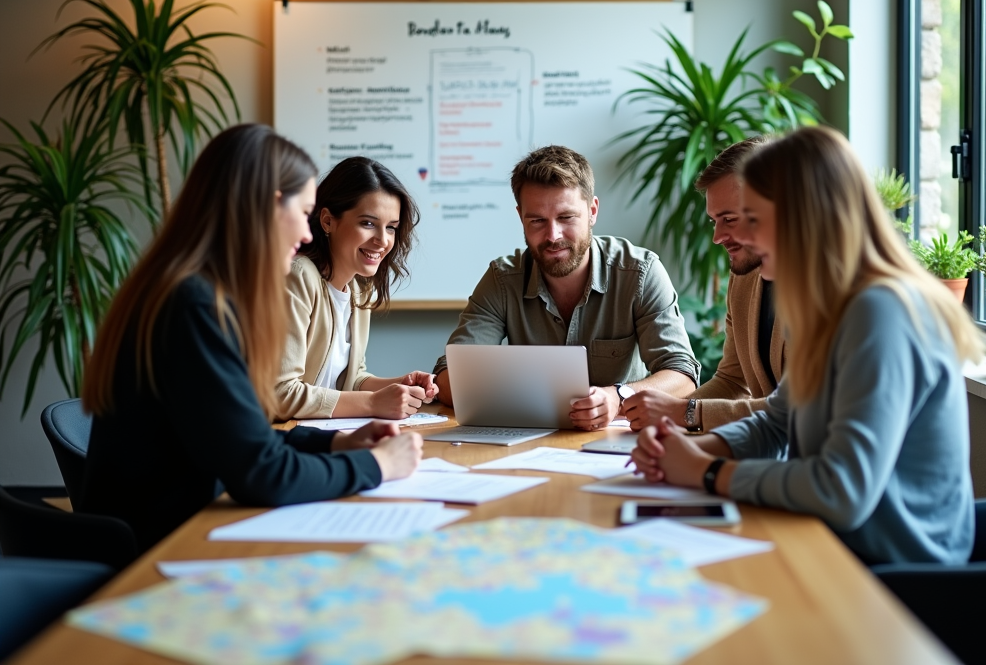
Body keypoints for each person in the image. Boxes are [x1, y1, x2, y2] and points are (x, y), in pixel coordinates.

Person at [631, 126, 984, 566]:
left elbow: (843, 490)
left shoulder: (880, 312)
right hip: (832, 545)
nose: (746, 240)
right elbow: (779, 423)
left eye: (754, 219)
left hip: (893, 574)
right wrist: (692, 451)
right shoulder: (829, 307)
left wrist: (707, 471)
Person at [80, 125, 422, 552]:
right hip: (160, 547)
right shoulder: (194, 306)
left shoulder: (190, 291)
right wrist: (375, 466)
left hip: (180, 524)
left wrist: (337, 442)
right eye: (303, 213)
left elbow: (240, 434)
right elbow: (262, 473)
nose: (305, 234)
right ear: (266, 207)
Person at [433, 145, 700, 430]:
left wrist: (619, 397)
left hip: (617, 441)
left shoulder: (639, 273)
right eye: (537, 220)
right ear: (520, 217)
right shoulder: (502, 279)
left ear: (592, 211)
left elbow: (682, 374)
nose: (552, 235)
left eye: (566, 217)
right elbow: (450, 375)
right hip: (528, 439)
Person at [623, 137, 786, 434]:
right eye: (714, 221)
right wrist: (665, 423)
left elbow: (800, 412)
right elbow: (733, 382)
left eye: (729, 219)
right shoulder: (744, 276)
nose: (717, 236)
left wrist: (687, 413)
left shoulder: (829, 288)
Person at [275, 157, 438, 422]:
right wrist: (373, 403)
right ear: (327, 221)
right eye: (368, 223)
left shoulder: (359, 290)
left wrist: (401, 385)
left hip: (319, 436)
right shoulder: (299, 275)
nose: (382, 241)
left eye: (391, 228)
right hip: (280, 440)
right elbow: (280, 393)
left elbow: (350, 379)